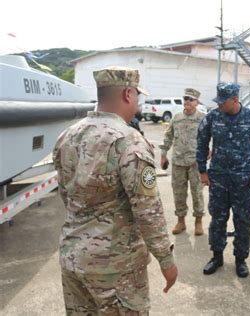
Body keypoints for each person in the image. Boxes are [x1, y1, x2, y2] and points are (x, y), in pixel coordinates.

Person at [53, 66, 177, 314]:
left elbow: (66, 194)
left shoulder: (68, 136)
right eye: (137, 97)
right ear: (128, 94)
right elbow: (147, 209)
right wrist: (166, 259)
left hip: (73, 260)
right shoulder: (129, 141)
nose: (137, 104)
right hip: (115, 268)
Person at [196, 82, 250, 278]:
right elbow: (202, 142)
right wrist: (202, 170)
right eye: (218, 100)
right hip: (218, 179)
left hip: (244, 180)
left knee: (242, 220)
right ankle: (217, 256)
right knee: (218, 219)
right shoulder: (212, 117)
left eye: (223, 101)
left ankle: (241, 259)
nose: (219, 104)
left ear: (235, 100)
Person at [159, 88, 206, 236]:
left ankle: (198, 221)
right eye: (185, 98)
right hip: (178, 161)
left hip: (195, 163)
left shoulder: (203, 118)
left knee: (197, 193)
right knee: (178, 193)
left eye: (191, 99)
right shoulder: (177, 117)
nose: (187, 101)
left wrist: (212, 151)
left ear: (197, 102)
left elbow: (212, 137)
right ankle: (181, 221)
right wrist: (163, 154)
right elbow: (168, 136)